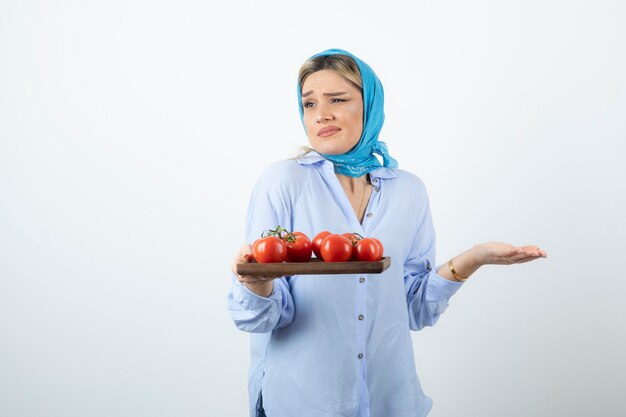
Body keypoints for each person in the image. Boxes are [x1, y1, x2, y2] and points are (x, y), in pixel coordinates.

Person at [227, 48, 547, 417]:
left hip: (391, 400)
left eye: (338, 100)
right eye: (310, 104)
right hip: (305, 401)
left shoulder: (408, 190)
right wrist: (255, 282)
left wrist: (474, 258)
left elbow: (413, 308)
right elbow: (263, 317)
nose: (322, 114)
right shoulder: (283, 181)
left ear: (371, 105)